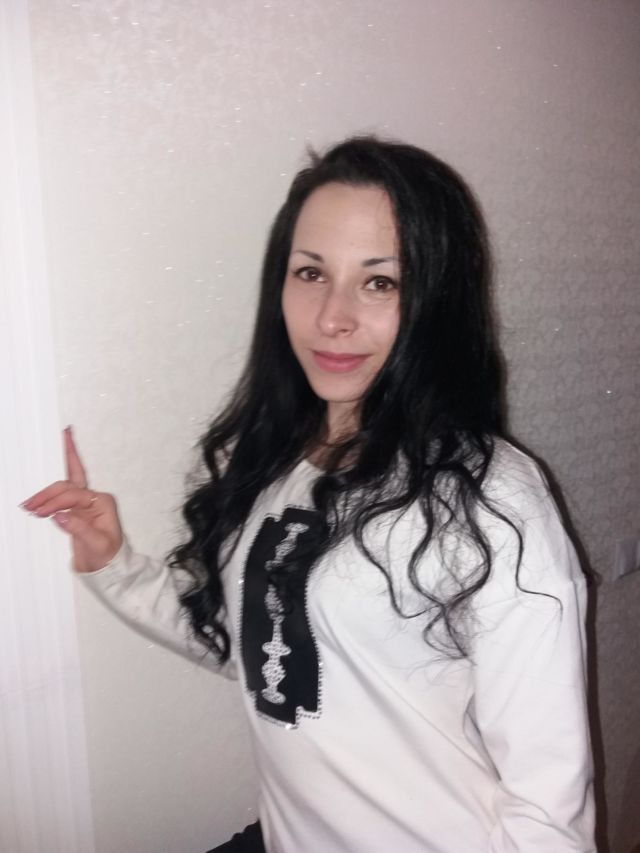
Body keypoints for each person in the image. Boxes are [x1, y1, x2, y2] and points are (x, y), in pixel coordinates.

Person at [21, 137, 596, 852]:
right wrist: (114, 563)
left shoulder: (490, 496)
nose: (331, 316)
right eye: (311, 272)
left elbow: (548, 802)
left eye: (380, 282)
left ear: (436, 301)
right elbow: (261, 645)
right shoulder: (277, 461)